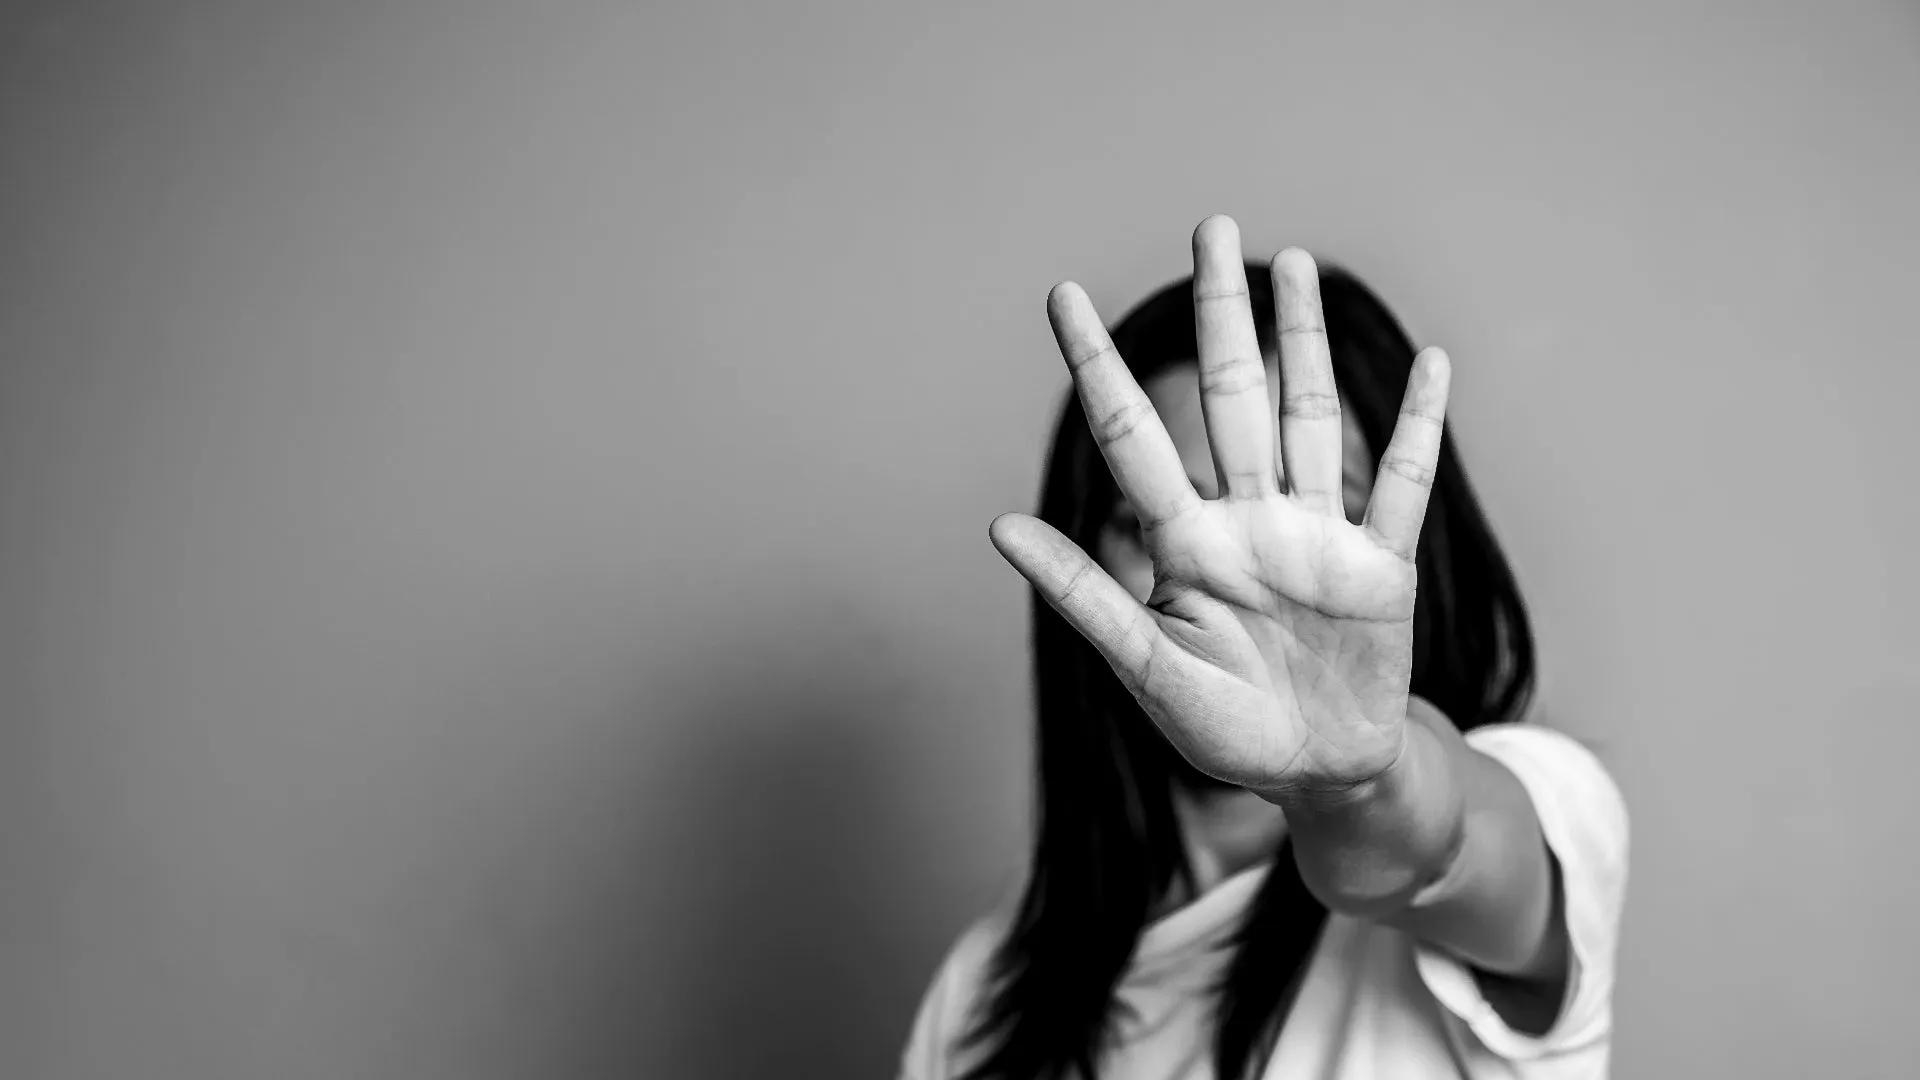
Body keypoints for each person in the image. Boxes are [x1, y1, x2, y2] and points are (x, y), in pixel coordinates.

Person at [898, 216, 1629, 1079]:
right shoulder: (982, 989)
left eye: (1323, 518)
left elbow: (1440, 848)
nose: (1244, 587)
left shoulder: (1541, 799)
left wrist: (1352, 783)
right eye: (1163, 527)